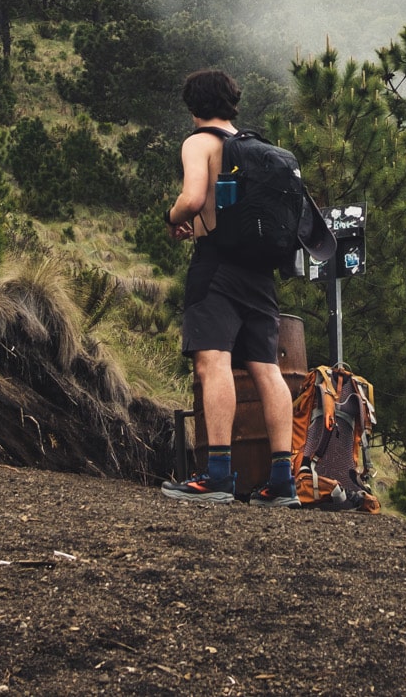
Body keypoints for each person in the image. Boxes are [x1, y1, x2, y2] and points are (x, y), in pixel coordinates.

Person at [160, 69, 299, 506]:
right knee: (266, 369)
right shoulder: (255, 148)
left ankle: (217, 474)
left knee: (213, 363)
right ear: (232, 103)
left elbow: (193, 197)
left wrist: (172, 217)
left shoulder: (199, 142)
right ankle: (282, 481)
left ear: (193, 107)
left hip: (217, 266)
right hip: (260, 271)